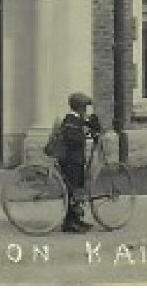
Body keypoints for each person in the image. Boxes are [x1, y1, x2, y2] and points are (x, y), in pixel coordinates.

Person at [52, 91, 102, 233]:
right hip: (69, 160)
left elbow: (94, 127)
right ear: (79, 107)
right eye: (84, 107)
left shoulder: (78, 119)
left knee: (77, 188)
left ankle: (76, 220)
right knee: (71, 190)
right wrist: (83, 132)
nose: (85, 110)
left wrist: (91, 123)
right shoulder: (70, 120)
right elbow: (73, 139)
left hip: (77, 159)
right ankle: (69, 223)